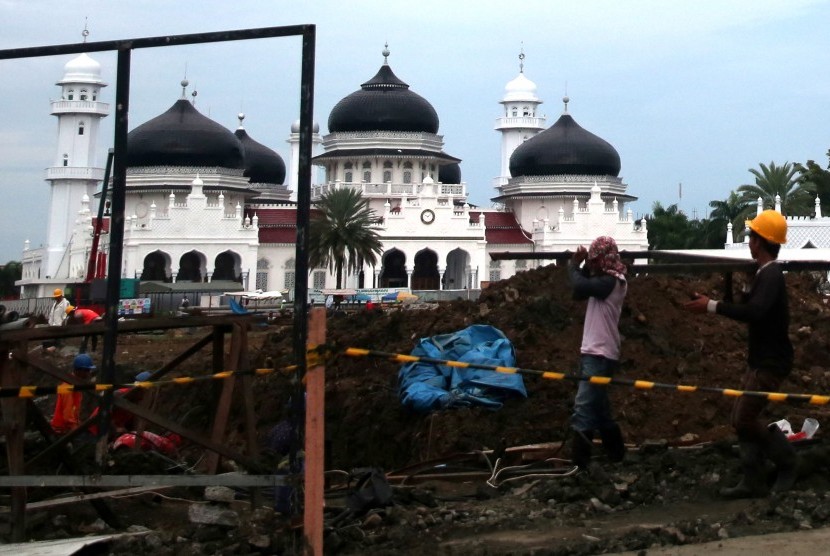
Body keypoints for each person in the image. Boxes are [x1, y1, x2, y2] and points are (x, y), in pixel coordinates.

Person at [684, 209, 796, 497]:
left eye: (752, 237)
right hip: (761, 360)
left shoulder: (771, 275)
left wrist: (712, 306)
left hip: (770, 362)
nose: (749, 242)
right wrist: (744, 284)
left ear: (759, 242)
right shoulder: (765, 274)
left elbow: (754, 312)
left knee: (744, 419)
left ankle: (786, 463)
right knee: (740, 419)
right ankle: (753, 480)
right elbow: (750, 306)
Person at [567, 236, 628, 469]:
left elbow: (579, 286)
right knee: (600, 409)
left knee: (583, 407)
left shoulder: (612, 282)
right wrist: (582, 267)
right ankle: (616, 455)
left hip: (599, 353)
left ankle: (579, 464)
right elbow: (578, 292)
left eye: (594, 261)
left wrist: (574, 266)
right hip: (595, 351)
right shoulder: (605, 282)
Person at [51, 353, 96, 435]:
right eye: (87, 370)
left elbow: (74, 412)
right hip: (61, 430)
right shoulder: (68, 387)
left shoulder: (76, 386)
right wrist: (76, 429)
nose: (88, 373)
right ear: (79, 370)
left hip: (68, 428)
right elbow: (68, 415)